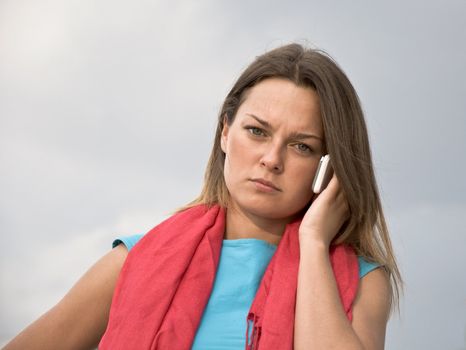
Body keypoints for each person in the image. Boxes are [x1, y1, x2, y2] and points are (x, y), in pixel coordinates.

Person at [4, 43, 402, 349]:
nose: (271, 159)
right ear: (225, 132)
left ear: (328, 167)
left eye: (302, 146)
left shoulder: (364, 281)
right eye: (257, 131)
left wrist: (314, 243)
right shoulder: (134, 261)